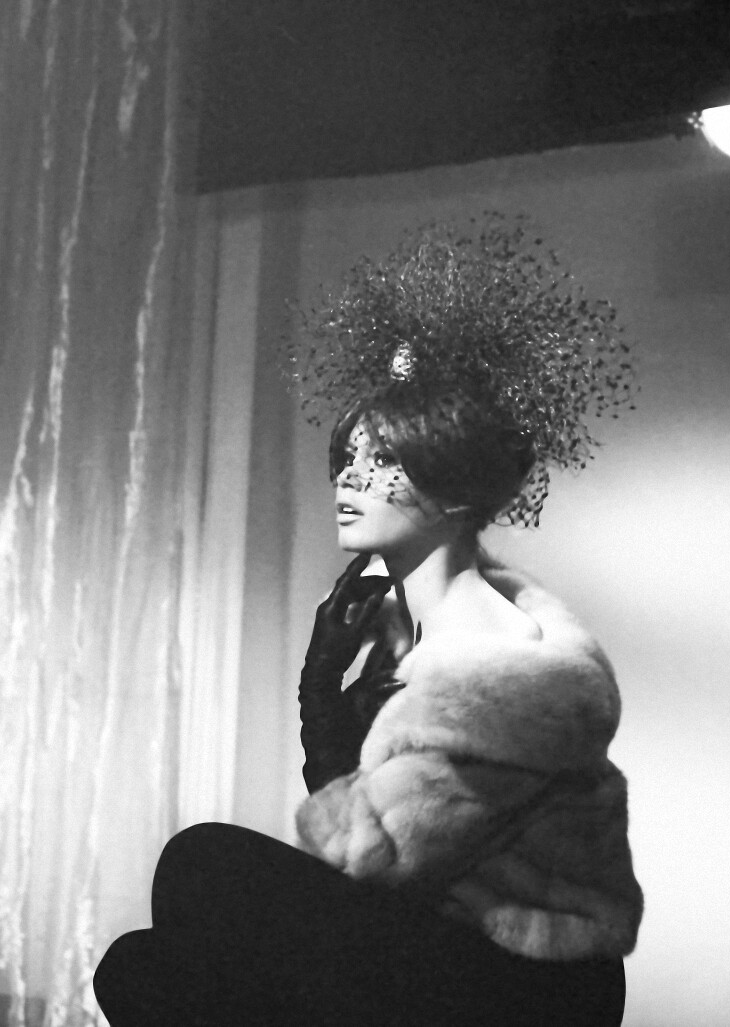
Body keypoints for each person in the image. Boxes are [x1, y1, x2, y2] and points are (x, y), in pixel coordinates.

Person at [94, 215, 642, 1026]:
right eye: (348, 457)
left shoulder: (497, 661)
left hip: (527, 986)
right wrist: (335, 683)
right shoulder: (409, 633)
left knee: (199, 862)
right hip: (443, 946)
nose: (350, 478)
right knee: (144, 969)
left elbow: (368, 856)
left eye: (384, 460)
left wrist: (320, 694)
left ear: (455, 486)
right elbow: (369, 849)